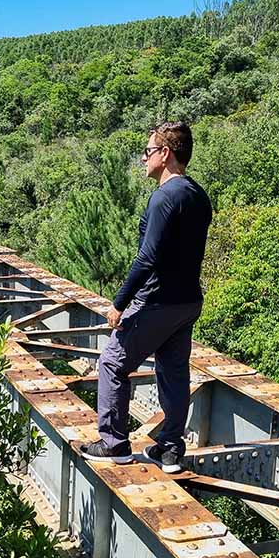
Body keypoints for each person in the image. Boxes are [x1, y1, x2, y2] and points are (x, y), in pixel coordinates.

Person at [78, 121, 212, 473]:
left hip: (157, 302)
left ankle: (114, 443)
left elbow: (148, 257)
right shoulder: (198, 195)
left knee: (111, 363)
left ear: (165, 153)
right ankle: (169, 450)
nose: (143, 158)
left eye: (149, 151)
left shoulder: (164, 196)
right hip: (187, 302)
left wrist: (119, 302)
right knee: (173, 372)